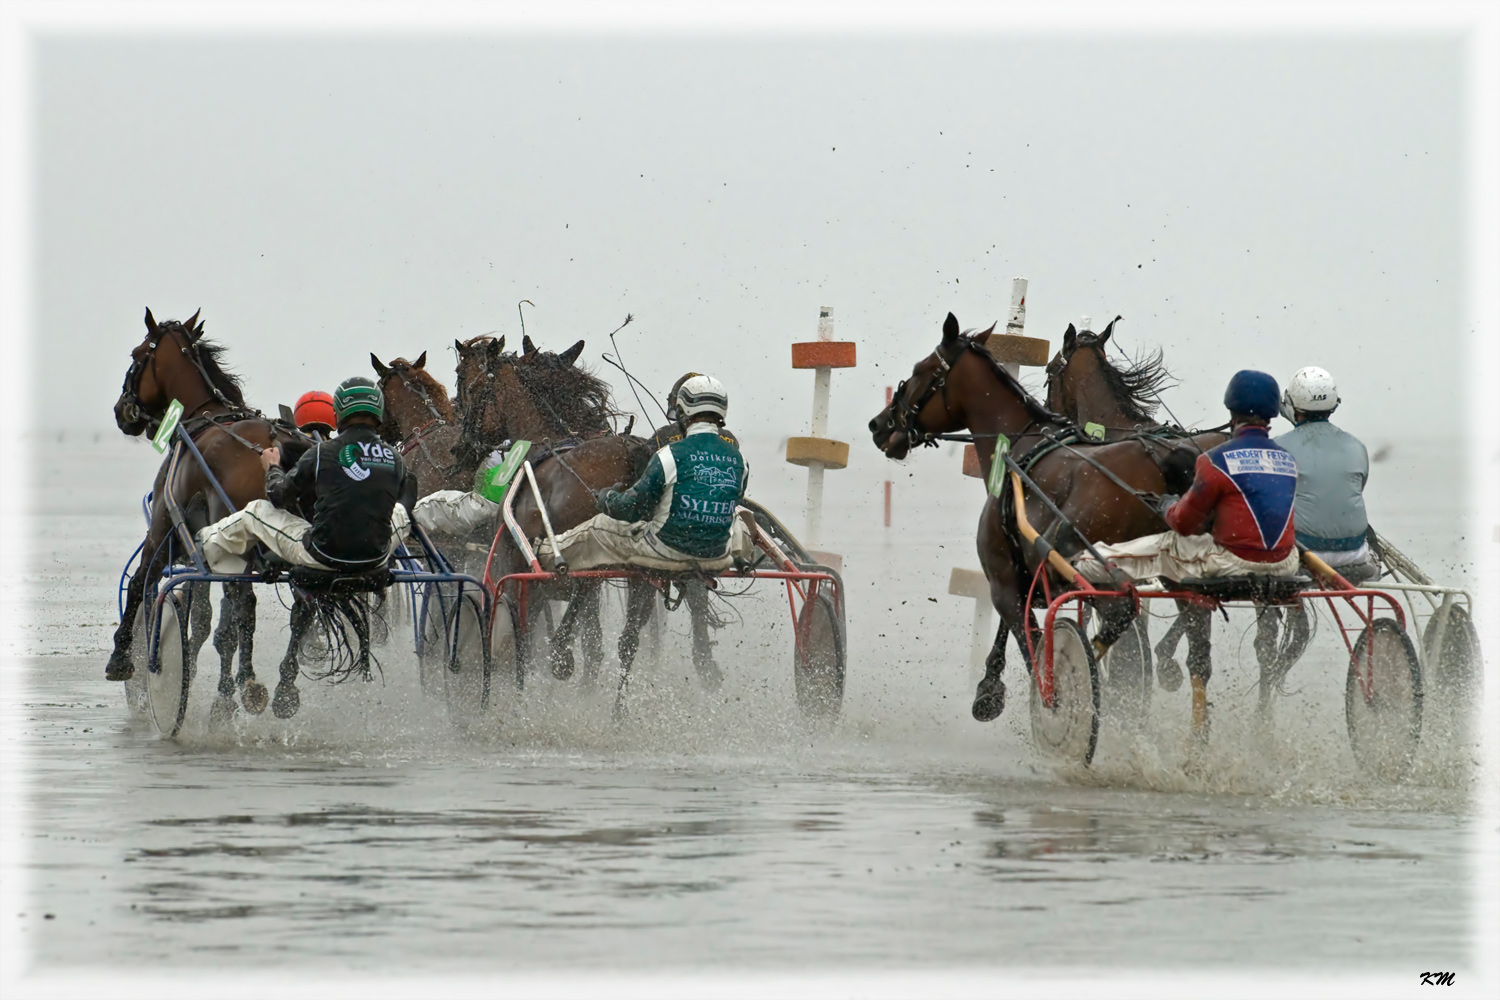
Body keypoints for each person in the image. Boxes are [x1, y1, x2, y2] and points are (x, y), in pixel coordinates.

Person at [1073, 370, 1301, 588]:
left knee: (1160, 545)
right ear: (1272, 412)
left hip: (1232, 563)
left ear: (1231, 410)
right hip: (1286, 563)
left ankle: (1076, 565)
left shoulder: (1213, 461)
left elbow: (1183, 524)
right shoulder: (1288, 460)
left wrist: (1167, 506)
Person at [197, 377, 417, 575]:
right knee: (399, 512)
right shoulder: (396, 458)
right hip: (377, 557)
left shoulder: (322, 453)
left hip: (323, 555)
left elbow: (279, 497)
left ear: (339, 411)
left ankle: (205, 545)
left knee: (255, 511)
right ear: (378, 409)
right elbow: (408, 490)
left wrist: (272, 467)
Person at [539, 374, 751, 574]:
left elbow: (631, 509)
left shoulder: (668, 455)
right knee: (738, 517)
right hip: (718, 555)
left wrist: (607, 499)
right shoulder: (740, 460)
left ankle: (545, 553)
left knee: (598, 526)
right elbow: (731, 499)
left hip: (665, 551)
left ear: (682, 411)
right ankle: (744, 558)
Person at [1275, 366, 1375, 581]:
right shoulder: (1357, 446)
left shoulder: (1277, 447)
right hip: (1355, 552)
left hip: (1305, 554)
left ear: (1291, 405)